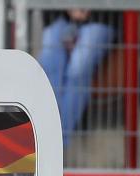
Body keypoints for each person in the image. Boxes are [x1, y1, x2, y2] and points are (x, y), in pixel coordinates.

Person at [37, 10, 114, 145]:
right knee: (48, 66)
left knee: (78, 69)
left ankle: (55, 143)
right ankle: (45, 136)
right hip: (60, 17)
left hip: (101, 17)